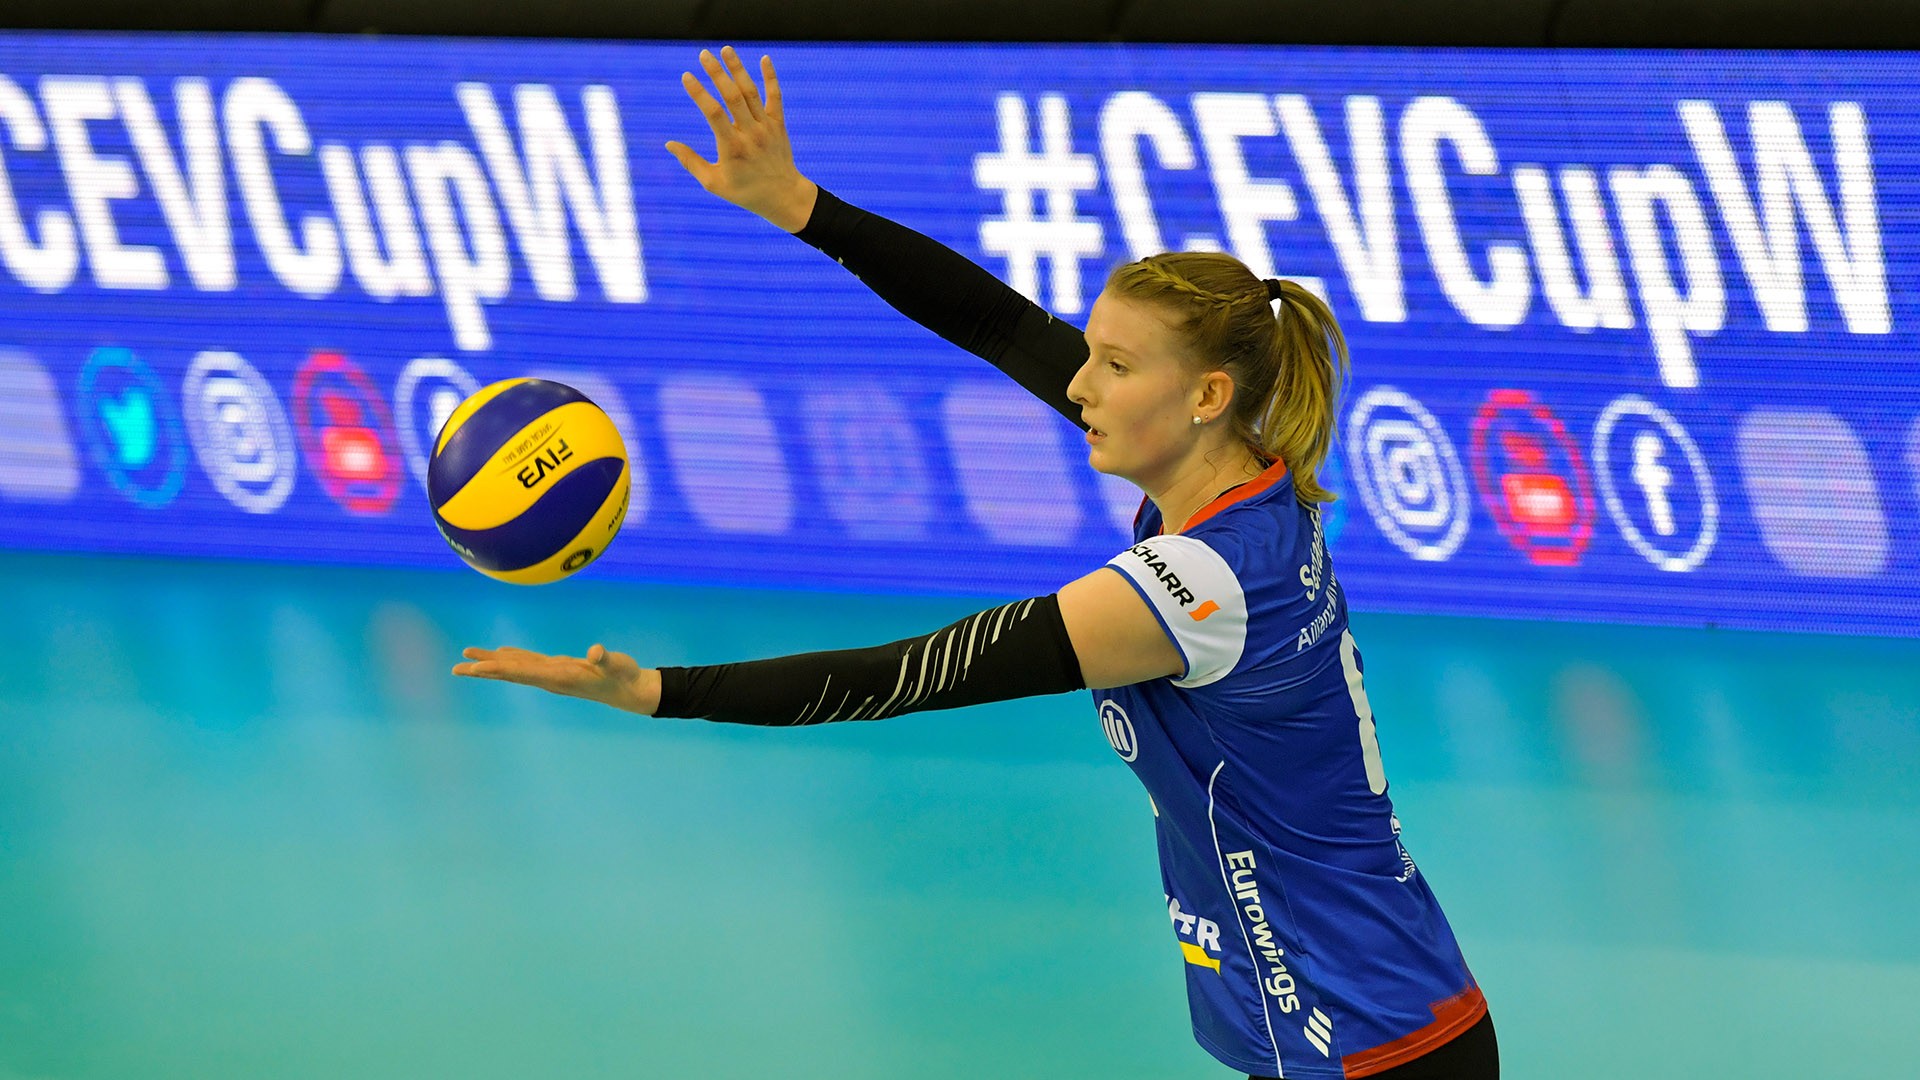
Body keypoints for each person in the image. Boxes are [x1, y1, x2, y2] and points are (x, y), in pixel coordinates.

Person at [453, 46, 1498, 1080]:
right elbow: (998, 321)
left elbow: (910, 674)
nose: (1080, 383)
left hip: (1374, 1037)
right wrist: (800, 206)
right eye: (1090, 351)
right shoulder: (1239, 482)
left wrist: (657, 692)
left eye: (1116, 365)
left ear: (1207, 395)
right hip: (1346, 1009)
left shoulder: (1200, 586)